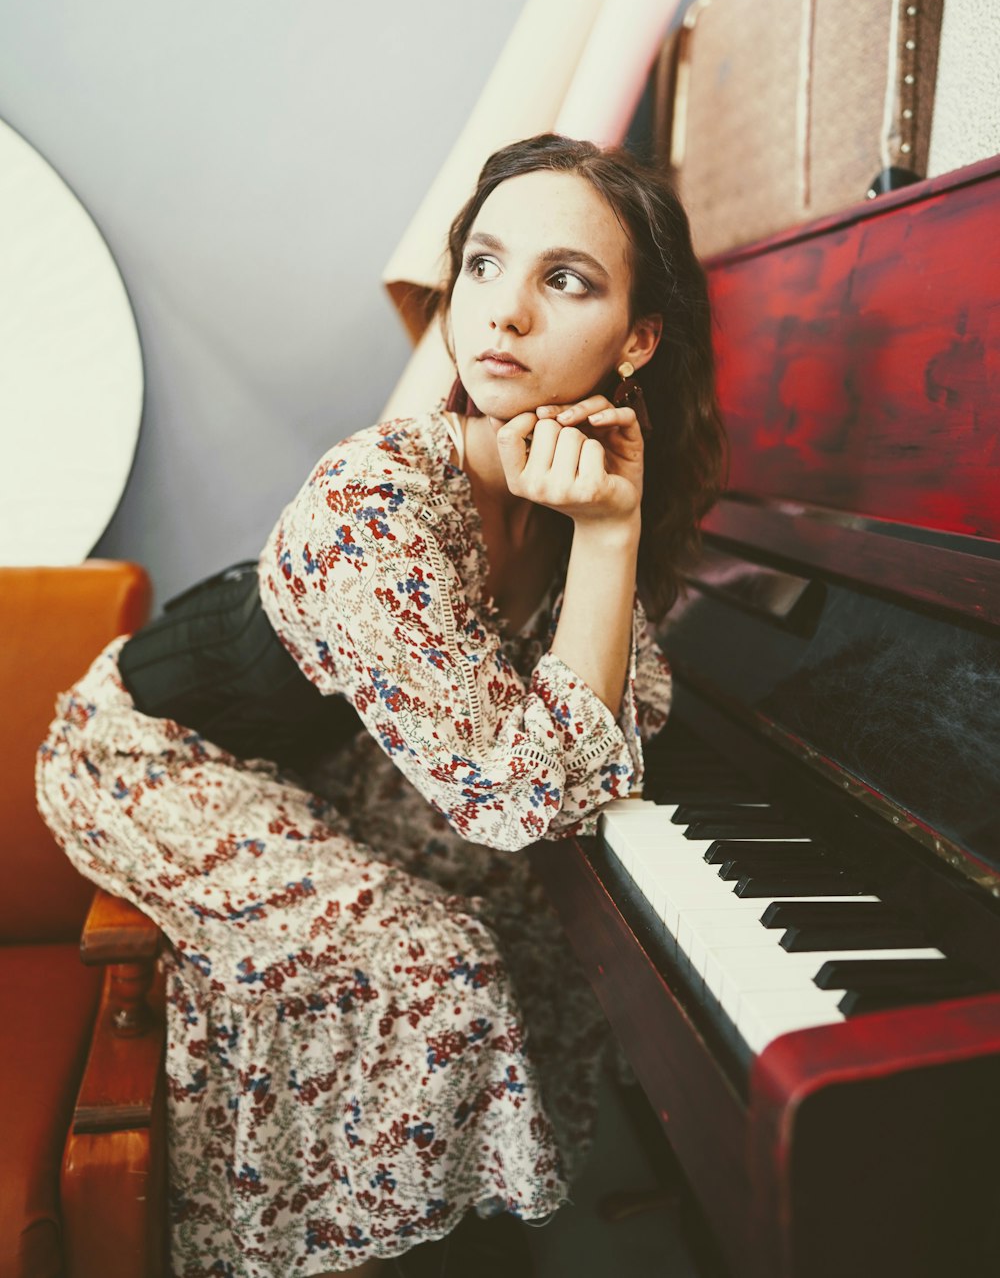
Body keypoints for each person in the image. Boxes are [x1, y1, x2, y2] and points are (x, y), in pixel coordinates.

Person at [35, 132, 726, 1277]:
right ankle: (312, 1251)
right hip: (150, 756)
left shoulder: (566, 468)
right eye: (485, 266)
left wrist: (602, 528)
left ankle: (475, 1234)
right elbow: (525, 794)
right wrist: (609, 535)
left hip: (320, 754)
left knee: (532, 909)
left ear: (637, 339)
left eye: (564, 280)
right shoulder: (376, 501)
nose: (504, 313)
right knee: (438, 968)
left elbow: (622, 727)